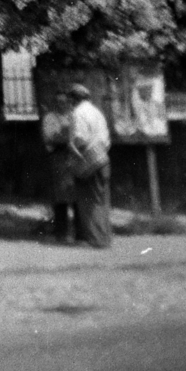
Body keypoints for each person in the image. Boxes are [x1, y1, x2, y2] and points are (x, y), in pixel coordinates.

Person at [67, 82, 113, 248]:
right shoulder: (97, 112)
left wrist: (72, 148)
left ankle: (95, 239)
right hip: (103, 158)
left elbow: (80, 137)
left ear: (73, 99)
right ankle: (105, 237)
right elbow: (106, 139)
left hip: (87, 161)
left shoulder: (77, 113)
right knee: (101, 201)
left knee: (88, 201)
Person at [40, 90, 76, 243]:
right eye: (59, 102)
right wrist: (68, 136)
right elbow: (51, 138)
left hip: (73, 159)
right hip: (58, 159)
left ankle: (79, 231)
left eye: (65, 102)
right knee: (60, 197)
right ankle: (61, 233)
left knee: (76, 196)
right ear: (55, 104)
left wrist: (68, 136)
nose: (62, 105)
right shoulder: (50, 118)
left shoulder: (72, 116)